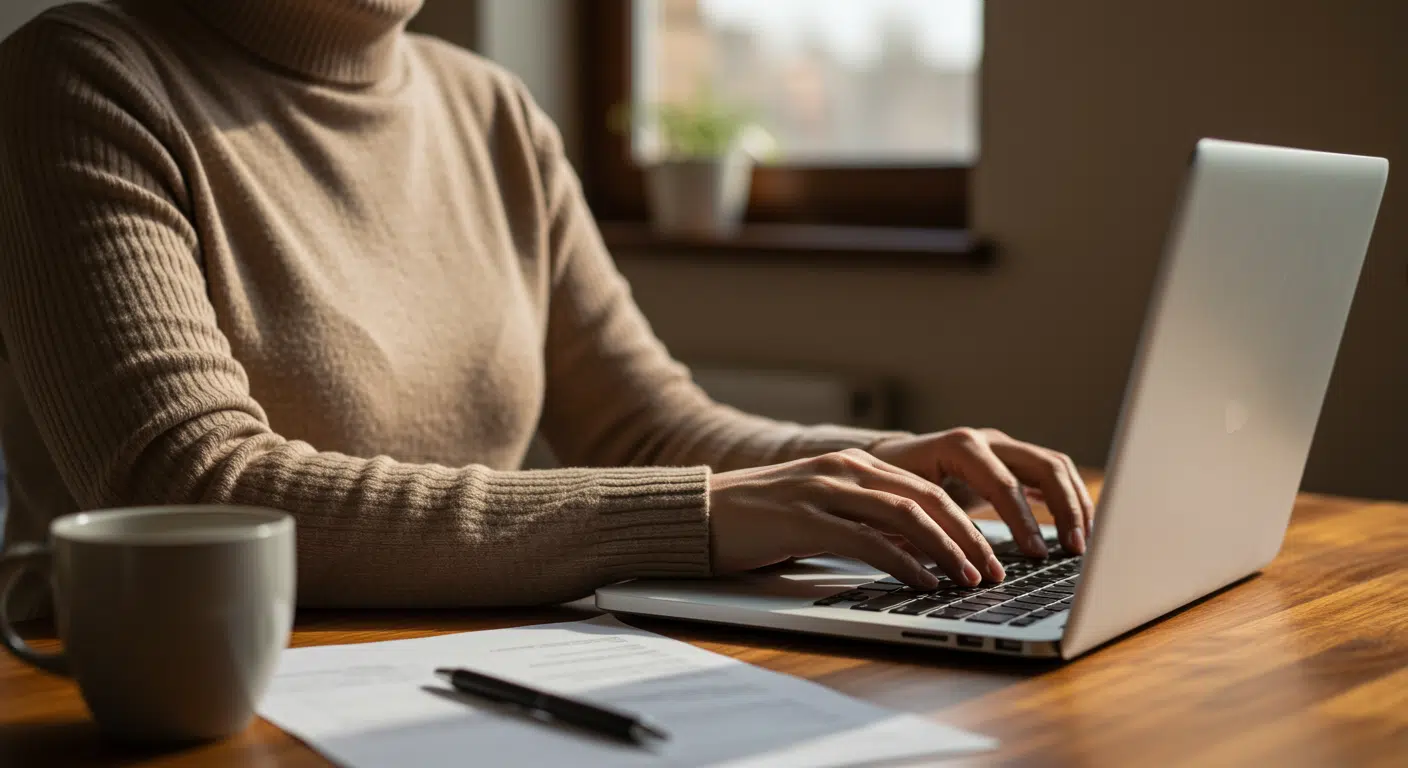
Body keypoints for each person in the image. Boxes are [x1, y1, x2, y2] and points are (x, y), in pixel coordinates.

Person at [0, 0, 1092, 621]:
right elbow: (195, 494)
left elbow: (645, 425)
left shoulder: (490, 111)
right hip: (175, 714)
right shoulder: (81, 78)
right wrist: (696, 516)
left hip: (452, 684)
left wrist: (895, 470)